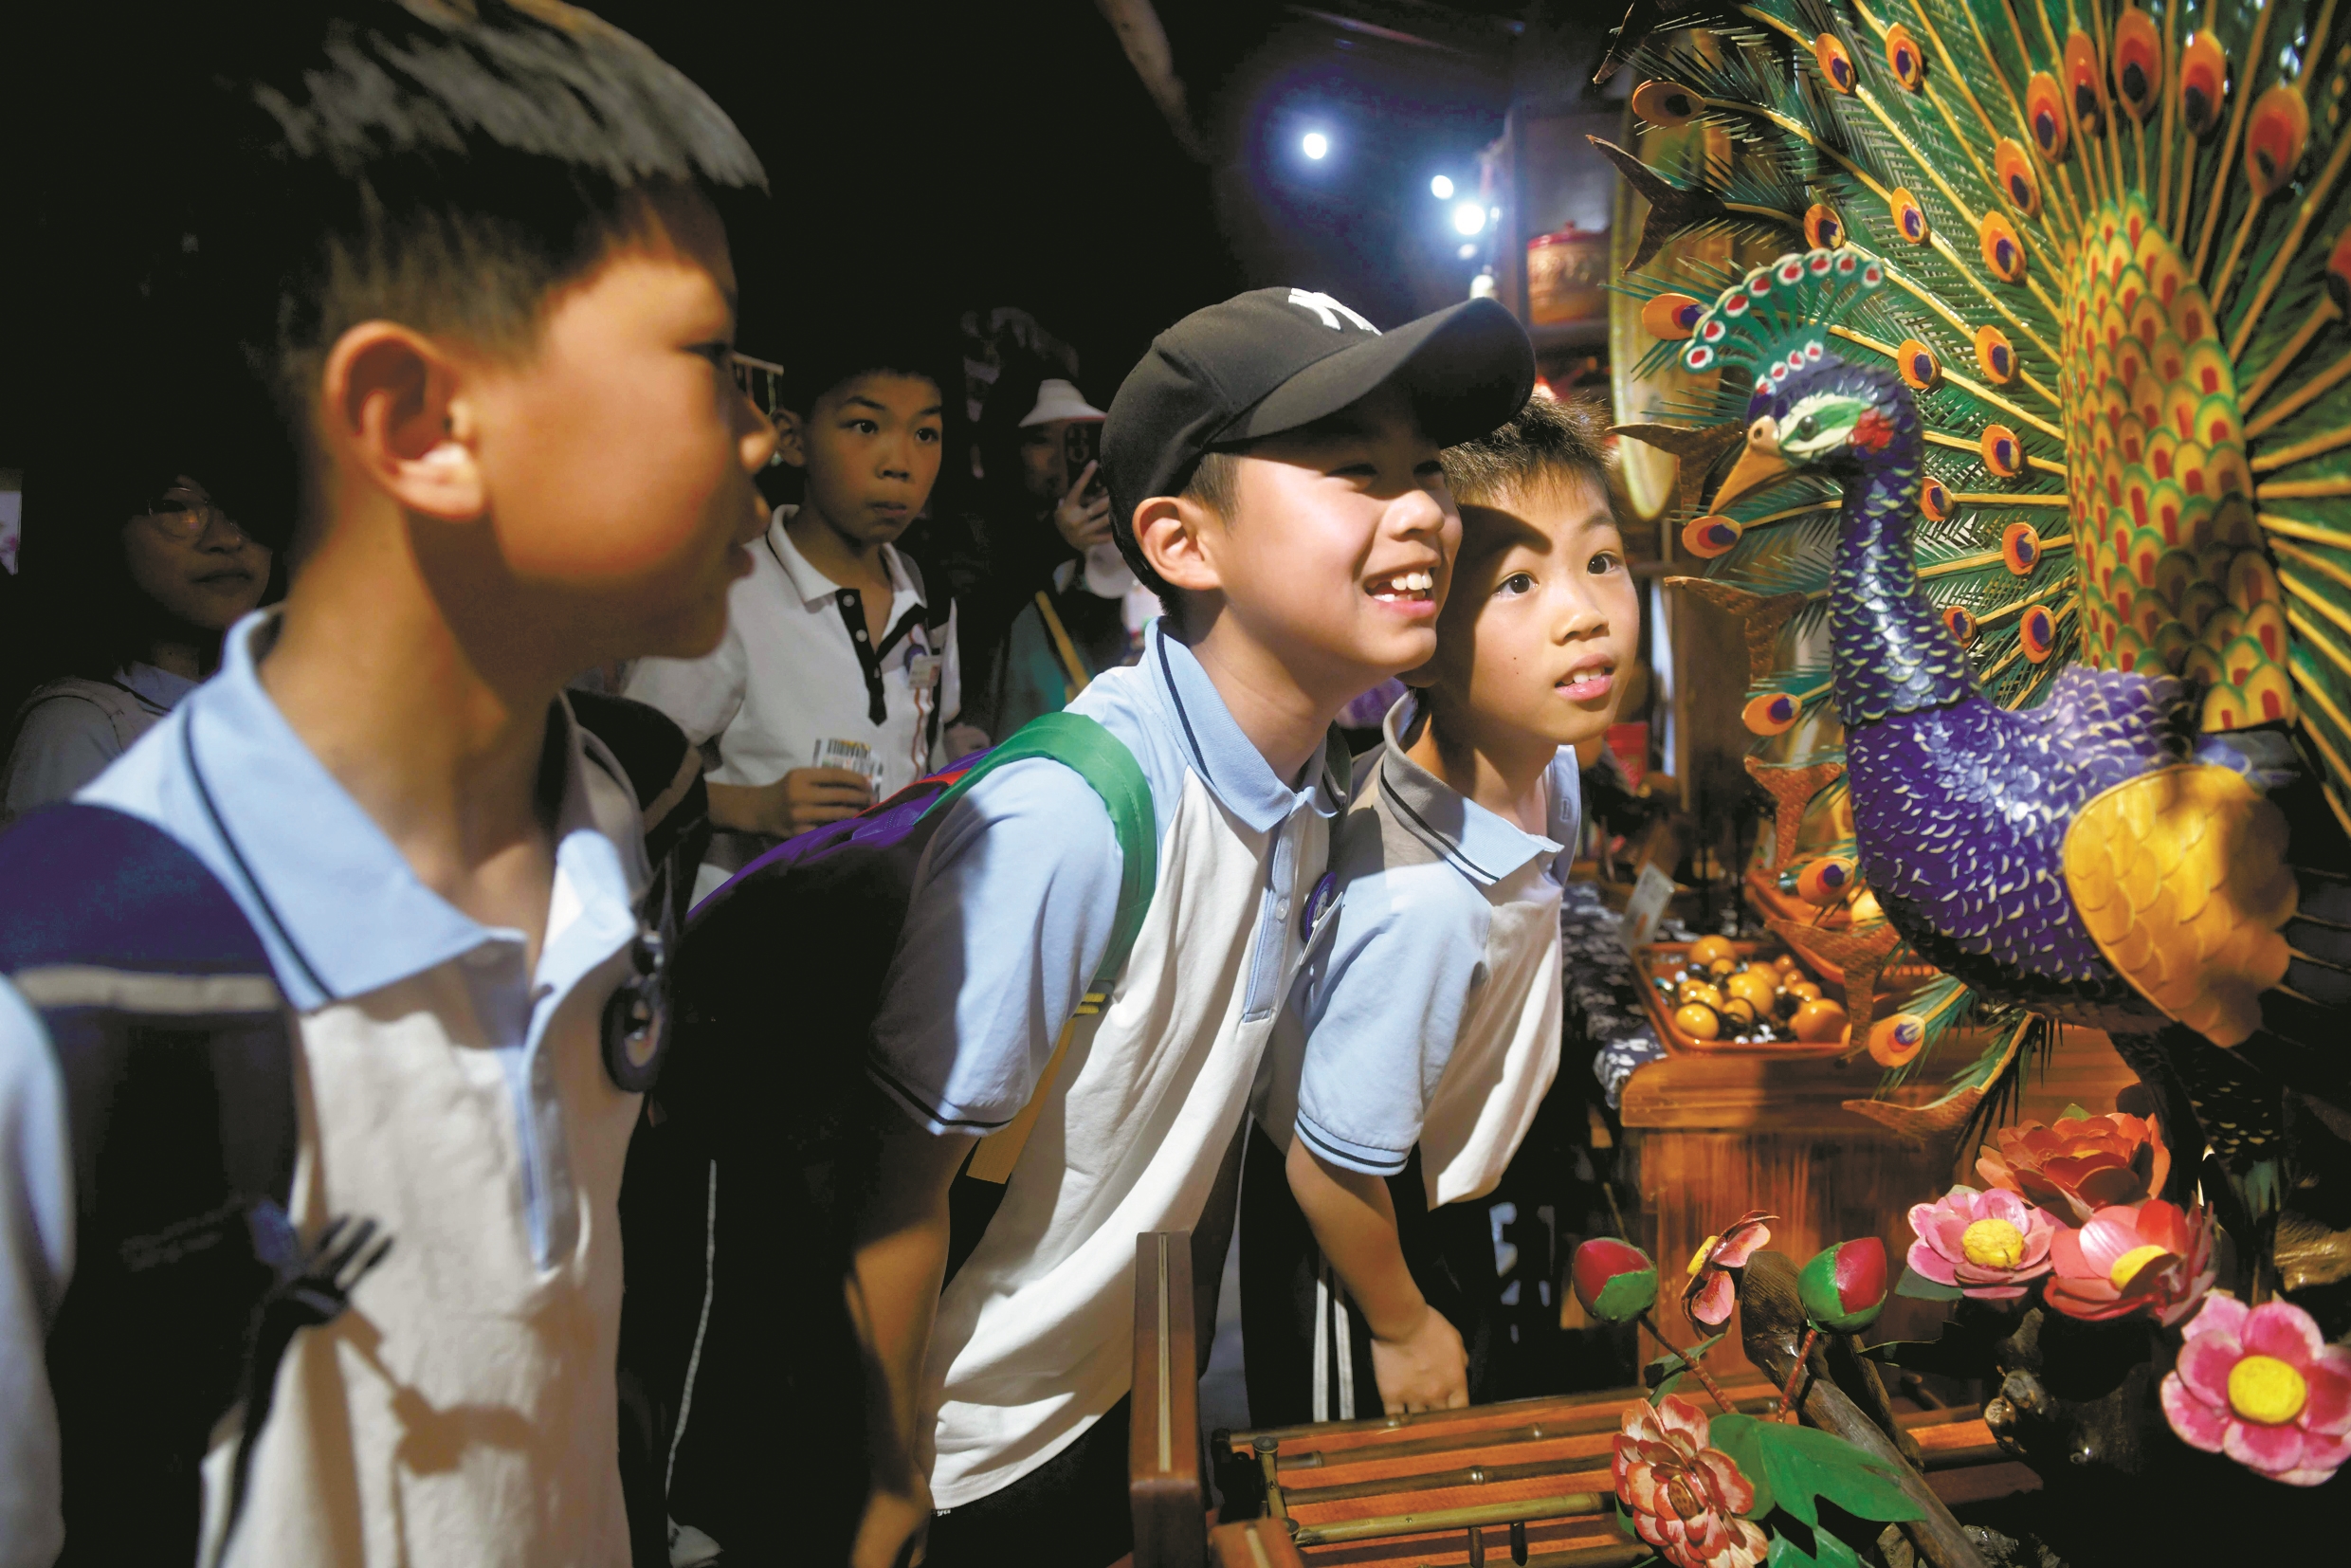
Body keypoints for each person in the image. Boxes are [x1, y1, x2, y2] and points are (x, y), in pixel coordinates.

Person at [0, 3, 775, 1562]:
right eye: (711, 366)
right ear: (418, 421)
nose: (762, 437)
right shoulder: (68, 981)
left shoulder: (590, 821)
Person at [838, 286, 1533, 1568]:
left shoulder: (1301, 781)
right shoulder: (1071, 818)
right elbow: (891, 1197)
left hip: (1108, 1395)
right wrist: (884, 1495)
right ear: (1180, 539)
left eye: (1426, 469)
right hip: (966, 1448)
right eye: (1354, 471)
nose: (1424, 513)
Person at [1242, 394, 1641, 1423]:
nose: (1584, 612)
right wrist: (1398, 1323)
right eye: (1518, 582)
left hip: (1429, 1170)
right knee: (1370, 1478)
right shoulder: (1421, 902)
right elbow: (1324, 1169)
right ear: (1417, 635)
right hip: (1354, 1225)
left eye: (1600, 559)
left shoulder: (1550, 768)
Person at [625, 314, 966, 901]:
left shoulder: (927, 597)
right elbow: (629, 772)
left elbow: (928, 744)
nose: (900, 462)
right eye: (865, 426)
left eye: (926, 434)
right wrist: (750, 806)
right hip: (746, 930)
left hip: (885, 923)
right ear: (792, 437)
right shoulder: (730, 592)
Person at [1, 467, 274, 824]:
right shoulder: (80, 728)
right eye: (174, 507)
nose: (227, 538)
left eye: (246, 510)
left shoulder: (275, 709)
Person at [971, 375, 1157, 737]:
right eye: (1041, 440)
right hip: (1001, 737)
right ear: (1009, 447)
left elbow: (1104, 645)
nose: (1058, 457)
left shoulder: (1091, 518)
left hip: (1074, 733)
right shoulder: (977, 529)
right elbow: (974, 623)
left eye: (1073, 440)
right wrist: (1054, 544)